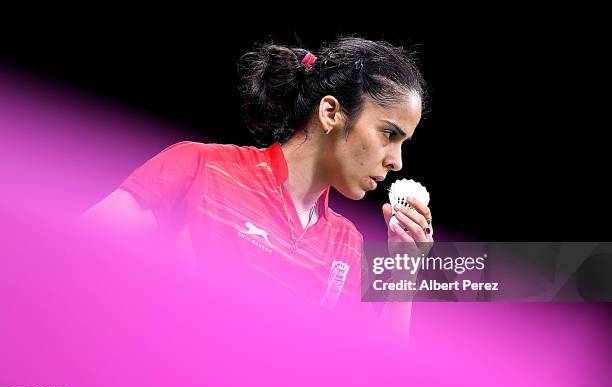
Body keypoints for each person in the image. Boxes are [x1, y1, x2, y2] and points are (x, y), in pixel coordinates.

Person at [82, 36, 433, 318]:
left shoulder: (350, 246)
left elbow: (373, 376)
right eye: (389, 134)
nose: (397, 162)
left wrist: (406, 271)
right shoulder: (199, 168)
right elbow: (70, 256)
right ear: (330, 113)